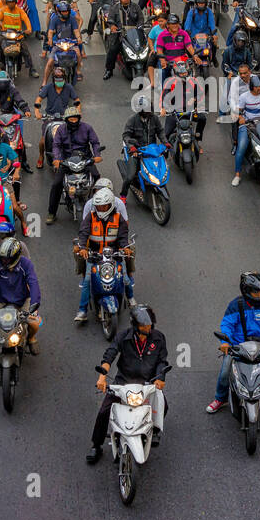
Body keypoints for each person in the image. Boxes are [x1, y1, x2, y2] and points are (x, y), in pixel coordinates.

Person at [89, 305, 169, 463]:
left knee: (163, 405)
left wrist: (160, 377)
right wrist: (102, 377)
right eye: (145, 326)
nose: (149, 328)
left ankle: (153, 430)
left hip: (148, 383)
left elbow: (162, 361)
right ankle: (96, 445)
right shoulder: (123, 337)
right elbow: (110, 354)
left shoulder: (158, 338)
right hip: (123, 382)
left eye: (150, 325)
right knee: (104, 412)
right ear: (136, 327)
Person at [206, 273, 260, 418]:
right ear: (246, 291)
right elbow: (226, 325)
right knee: (225, 373)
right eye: (256, 292)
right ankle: (220, 399)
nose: (259, 294)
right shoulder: (236, 305)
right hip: (238, 348)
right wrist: (225, 342)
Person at [74, 188, 135, 322]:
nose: (100, 208)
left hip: (114, 254)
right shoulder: (91, 216)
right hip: (95, 255)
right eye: (98, 206)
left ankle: (131, 299)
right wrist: (83, 247)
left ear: (110, 205)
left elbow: (123, 236)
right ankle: (82, 310)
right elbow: (83, 232)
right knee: (87, 281)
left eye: (103, 206)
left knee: (125, 278)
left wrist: (124, 248)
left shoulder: (118, 218)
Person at [0, 237, 42, 352]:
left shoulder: (26, 264)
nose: (4, 262)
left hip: (23, 299)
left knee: (34, 324)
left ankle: (31, 338)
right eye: (2, 259)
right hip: (1, 299)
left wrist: (34, 306)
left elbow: (34, 284)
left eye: (7, 259)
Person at [47, 106, 102, 222]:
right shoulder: (61, 130)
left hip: (85, 158)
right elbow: (56, 145)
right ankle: (52, 212)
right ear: (66, 120)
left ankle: (99, 206)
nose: (73, 121)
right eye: (71, 119)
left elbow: (95, 142)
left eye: (75, 119)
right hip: (66, 160)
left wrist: (97, 155)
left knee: (97, 178)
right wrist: (57, 159)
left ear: (79, 118)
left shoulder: (87, 128)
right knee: (56, 184)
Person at [0, 0, 38, 78]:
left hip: (17, 35)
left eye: (12, 2)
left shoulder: (19, 11)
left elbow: (26, 19)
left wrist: (28, 29)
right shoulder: (3, 10)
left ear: (15, 2)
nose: (10, 4)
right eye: (8, 2)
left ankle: (32, 69)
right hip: (5, 34)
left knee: (25, 50)